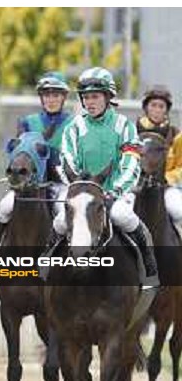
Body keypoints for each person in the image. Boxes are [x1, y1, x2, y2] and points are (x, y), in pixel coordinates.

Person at [51, 66, 159, 288]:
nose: (89, 102)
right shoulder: (74, 127)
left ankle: (150, 269)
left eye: (95, 97)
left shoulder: (125, 126)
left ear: (108, 97)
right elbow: (68, 160)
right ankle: (46, 264)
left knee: (123, 217)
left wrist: (116, 190)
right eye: (86, 97)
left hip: (115, 193)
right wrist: (79, 187)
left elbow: (131, 162)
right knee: (61, 222)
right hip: (82, 193)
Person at [0, 71, 72, 240]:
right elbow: (18, 153)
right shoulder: (27, 122)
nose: (51, 99)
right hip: (30, 185)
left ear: (63, 97)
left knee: (63, 214)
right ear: (41, 97)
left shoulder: (74, 123)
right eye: (47, 95)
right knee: (4, 208)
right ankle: (0, 247)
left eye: (55, 95)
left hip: (61, 185)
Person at [136, 85, 182, 225]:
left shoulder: (176, 135)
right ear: (146, 107)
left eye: (161, 106)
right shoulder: (132, 132)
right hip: (137, 185)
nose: (157, 110)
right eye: (153, 105)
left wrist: (167, 178)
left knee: (177, 210)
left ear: (166, 110)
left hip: (165, 187)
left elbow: (181, 166)